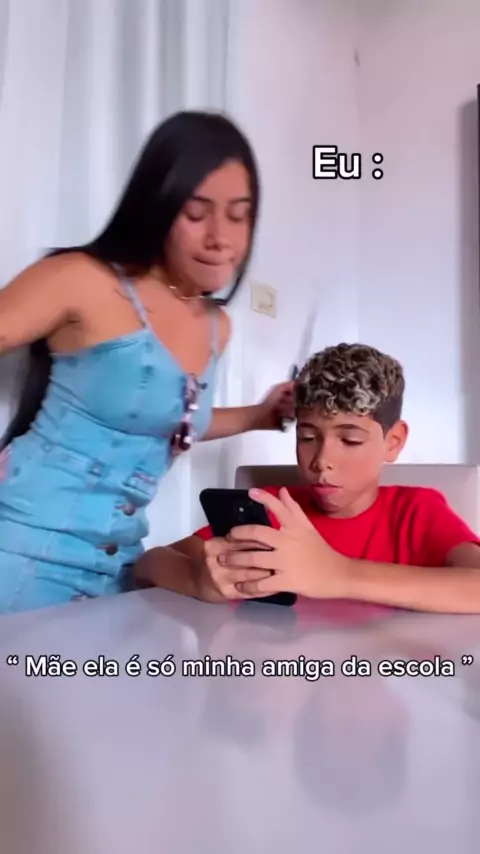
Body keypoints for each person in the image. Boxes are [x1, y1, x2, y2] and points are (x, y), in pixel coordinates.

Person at [0, 109, 294, 613]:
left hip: (117, 567)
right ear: (157, 205)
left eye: (239, 215)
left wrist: (260, 416)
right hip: (22, 551)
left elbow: (168, 421)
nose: (220, 237)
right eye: (197, 213)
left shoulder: (216, 327)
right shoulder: (82, 280)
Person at [136, 342, 480, 613]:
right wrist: (195, 578)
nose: (322, 461)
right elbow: (149, 563)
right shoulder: (275, 508)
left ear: (394, 442)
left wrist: (338, 573)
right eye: (308, 437)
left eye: (350, 440)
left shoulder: (416, 511)